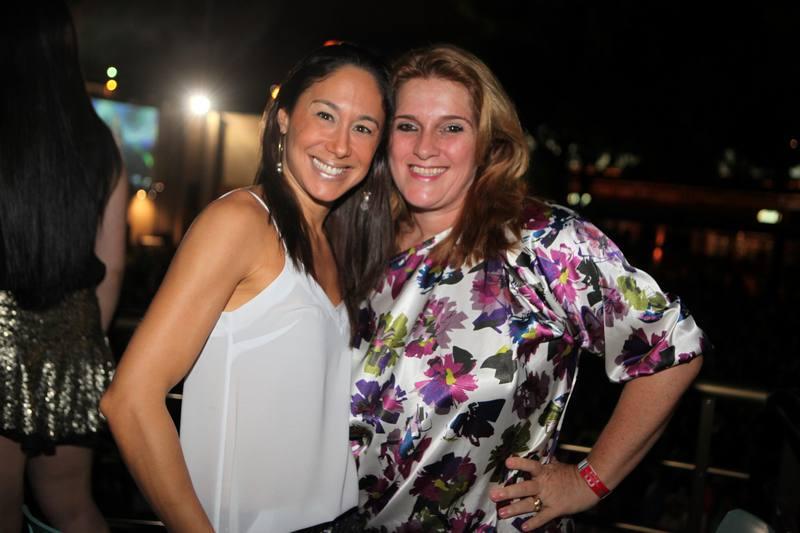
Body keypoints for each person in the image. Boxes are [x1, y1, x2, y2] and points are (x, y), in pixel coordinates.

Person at [349, 44, 708, 532]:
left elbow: (670, 347)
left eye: (452, 128)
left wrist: (587, 481)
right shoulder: (360, 242)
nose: (425, 147)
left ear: (489, 144)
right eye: (407, 125)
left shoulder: (540, 242)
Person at [101, 43, 394, 533]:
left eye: (363, 128)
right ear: (283, 118)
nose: (341, 145)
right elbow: (129, 400)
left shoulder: (337, 244)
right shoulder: (241, 221)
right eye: (325, 115)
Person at [0, 2, 127, 532]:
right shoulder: (101, 141)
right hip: (75, 342)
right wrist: (81, 342)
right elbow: (112, 267)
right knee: (73, 508)